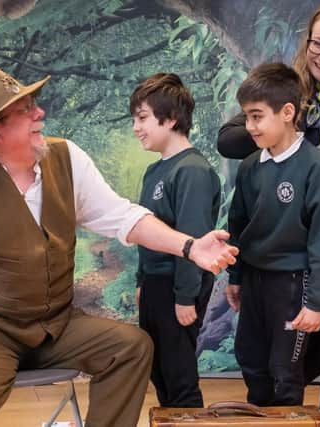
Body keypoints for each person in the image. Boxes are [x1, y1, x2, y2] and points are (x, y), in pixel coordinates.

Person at [0, 64, 238, 427]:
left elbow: (122, 216)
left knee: (131, 348)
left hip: (54, 325)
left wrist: (190, 247)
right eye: (25, 109)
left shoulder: (66, 159)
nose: (40, 112)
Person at [217, 4, 320, 406]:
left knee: (310, 364)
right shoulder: (285, 94)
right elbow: (229, 140)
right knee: (259, 360)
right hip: (279, 254)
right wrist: (280, 136)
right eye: (317, 45)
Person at [224, 63, 320, 406]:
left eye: (257, 116)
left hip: (293, 283)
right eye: (246, 117)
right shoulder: (249, 168)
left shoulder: (317, 168)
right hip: (255, 281)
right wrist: (235, 276)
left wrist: (317, 302)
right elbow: (238, 226)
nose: (249, 127)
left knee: (286, 371)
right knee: (250, 360)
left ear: (287, 112)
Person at [130, 73, 221, 408]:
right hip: (155, 285)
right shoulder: (155, 171)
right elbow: (144, 228)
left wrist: (185, 297)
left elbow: (193, 240)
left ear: (169, 119)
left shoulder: (193, 170)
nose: (136, 128)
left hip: (178, 286)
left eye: (142, 119)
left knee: (179, 376)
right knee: (159, 372)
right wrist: (143, 282)